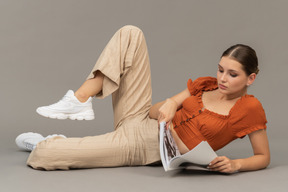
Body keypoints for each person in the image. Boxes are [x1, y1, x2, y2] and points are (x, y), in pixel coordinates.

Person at [15, 25, 270, 173]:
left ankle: (45, 141)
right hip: (140, 117)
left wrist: (236, 164)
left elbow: (263, 156)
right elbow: (157, 110)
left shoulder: (250, 109)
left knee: (44, 156)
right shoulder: (207, 84)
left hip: (142, 146)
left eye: (232, 74)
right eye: (221, 69)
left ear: (251, 79)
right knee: (131, 33)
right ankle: (81, 98)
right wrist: (171, 103)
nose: (223, 78)